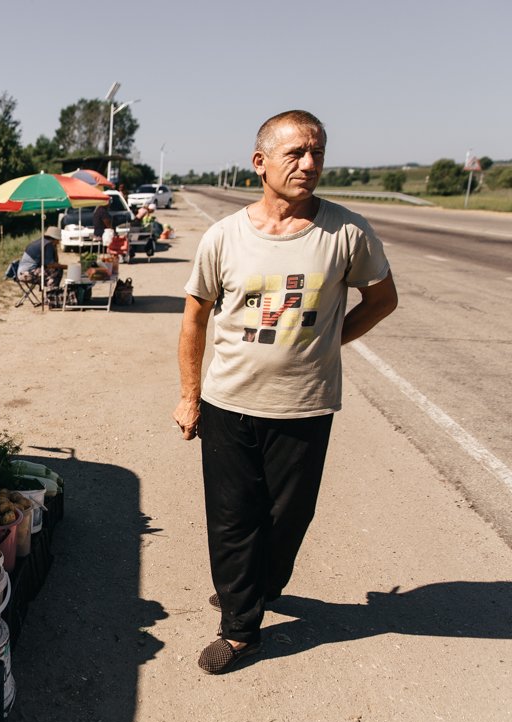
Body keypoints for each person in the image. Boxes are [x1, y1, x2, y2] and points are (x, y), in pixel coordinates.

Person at [172, 110, 398, 675]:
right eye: (296, 152)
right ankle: (240, 628)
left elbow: (382, 299)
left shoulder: (346, 232)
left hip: (305, 404)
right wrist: (188, 395)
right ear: (260, 163)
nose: (309, 163)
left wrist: (330, 339)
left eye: (318, 153)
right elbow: (194, 321)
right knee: (230, 517)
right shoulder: (225, 236)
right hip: (228, 401)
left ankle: (252, 587)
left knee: (287, 518)